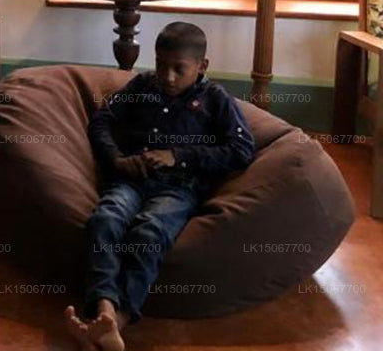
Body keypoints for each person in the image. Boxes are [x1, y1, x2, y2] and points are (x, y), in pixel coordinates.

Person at [64, 22, 255, 351]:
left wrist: (178, 156)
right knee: (105, 219)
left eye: (179, 69)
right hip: (131, 177)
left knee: (148, 232)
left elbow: (241, 149)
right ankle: (104, 310)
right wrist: (117, 159)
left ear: (202, 66)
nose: (167, 77)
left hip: (178, 188)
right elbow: (102, 121)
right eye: (160, 65)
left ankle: (119, 320)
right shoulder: (142, 86)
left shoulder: (215, 99)